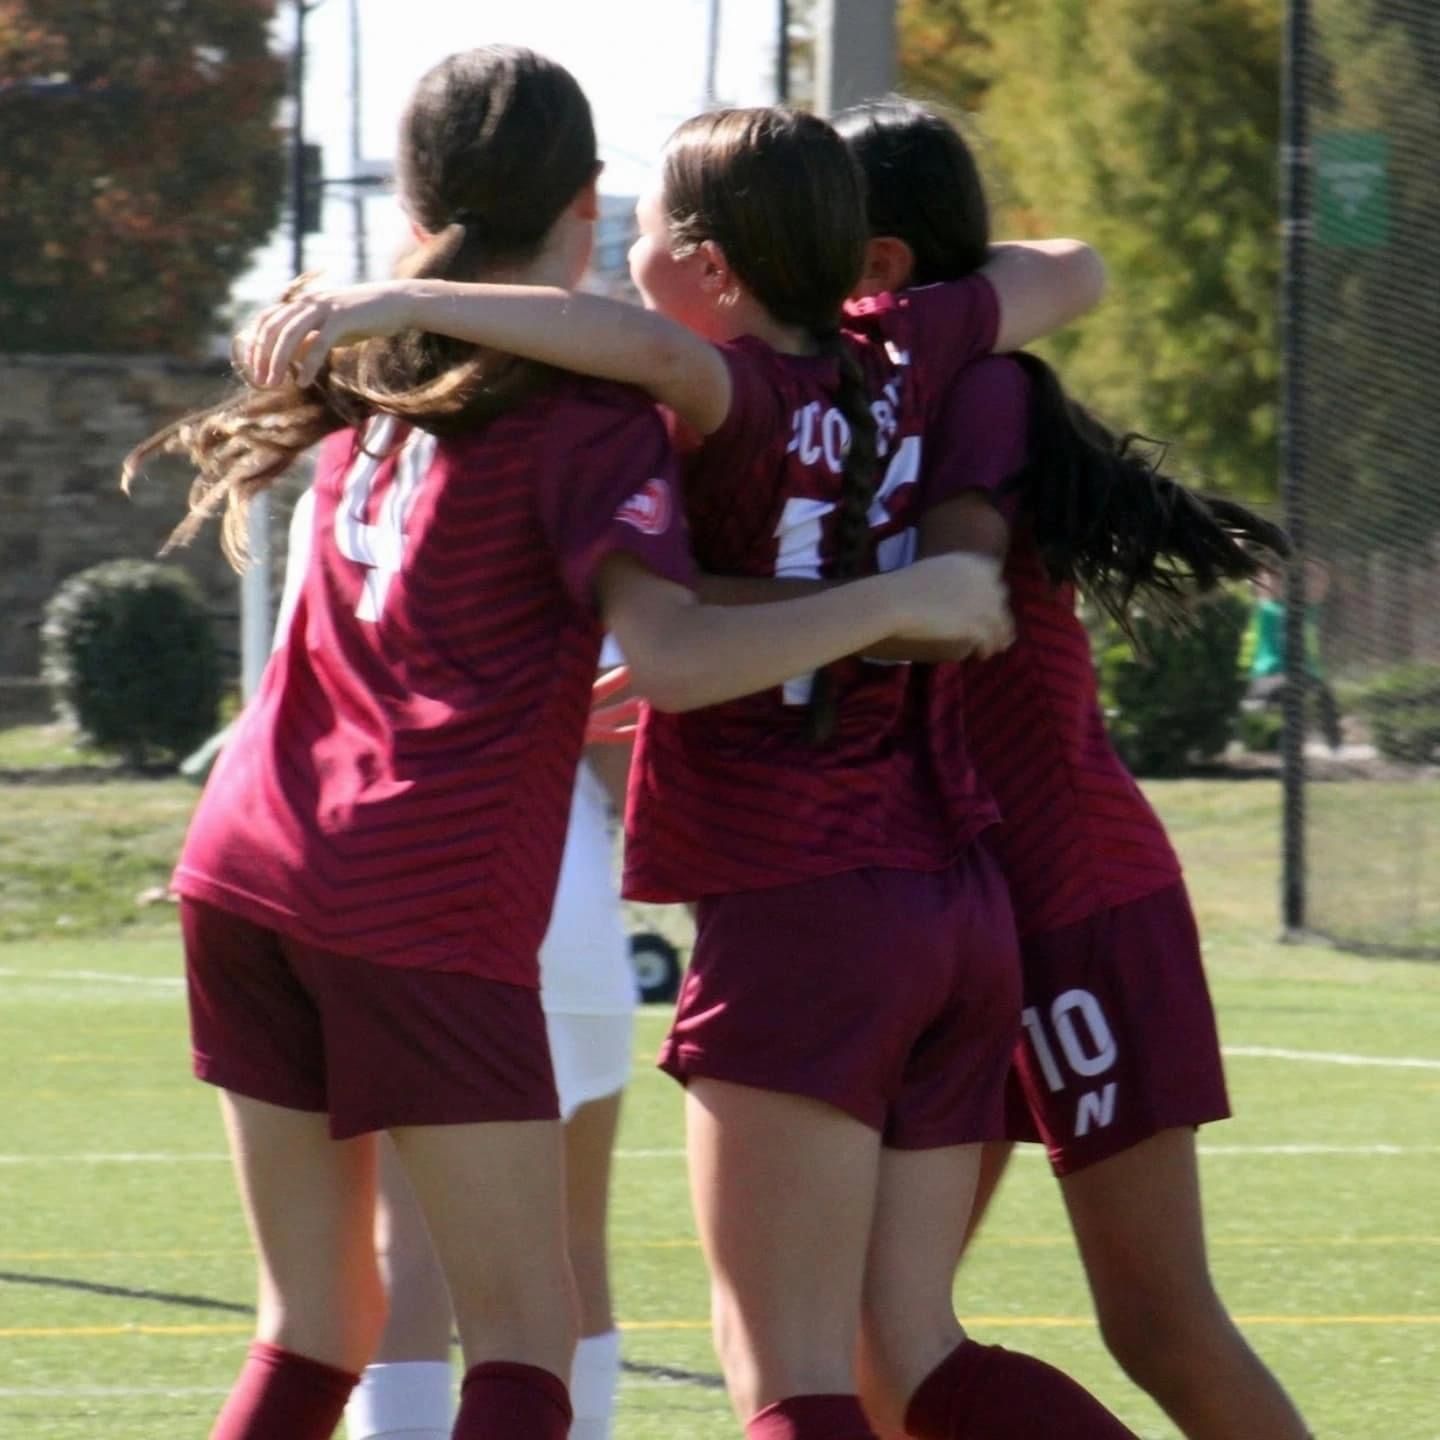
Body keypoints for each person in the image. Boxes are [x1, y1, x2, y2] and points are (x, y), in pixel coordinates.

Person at [123, 57, 1013, 1440]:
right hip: (417, 888)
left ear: (416, 199)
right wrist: (902, 603)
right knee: (526, 1344)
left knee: (313, 1326)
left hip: (244, 860)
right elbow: (674, 654)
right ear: (590, 202)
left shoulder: (376, 369)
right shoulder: (584, 411)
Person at [831, 98, 1312, 1440]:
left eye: (798, 217)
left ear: (876, 259)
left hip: (1072, 905)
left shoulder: (972, 384)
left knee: (1157, 1322)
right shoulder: (841, 388)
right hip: (959, 922)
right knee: (878, 1343)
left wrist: (735, 643)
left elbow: (954, 598)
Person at [274, 493, 637, 1440]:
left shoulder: (346, 479)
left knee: (413, 1251)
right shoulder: (570, 467)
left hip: (396, 888)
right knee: (571, 1242)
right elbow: (625, 741)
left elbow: (293, 705)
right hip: (554, 891)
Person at [1243, 560, 1343, 751]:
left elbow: (1319, 588)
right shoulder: (1266, 609)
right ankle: (1259, 718)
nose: (1278, 585)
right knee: (1283, 697)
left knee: (1324, 694)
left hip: (1302, 675)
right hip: (1270, 675)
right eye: (1275, 581)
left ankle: (1334, 744)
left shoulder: (1303, 610)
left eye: (1282, 580)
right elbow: (1261, 586)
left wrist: (1311, 568)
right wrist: (1266, 572)